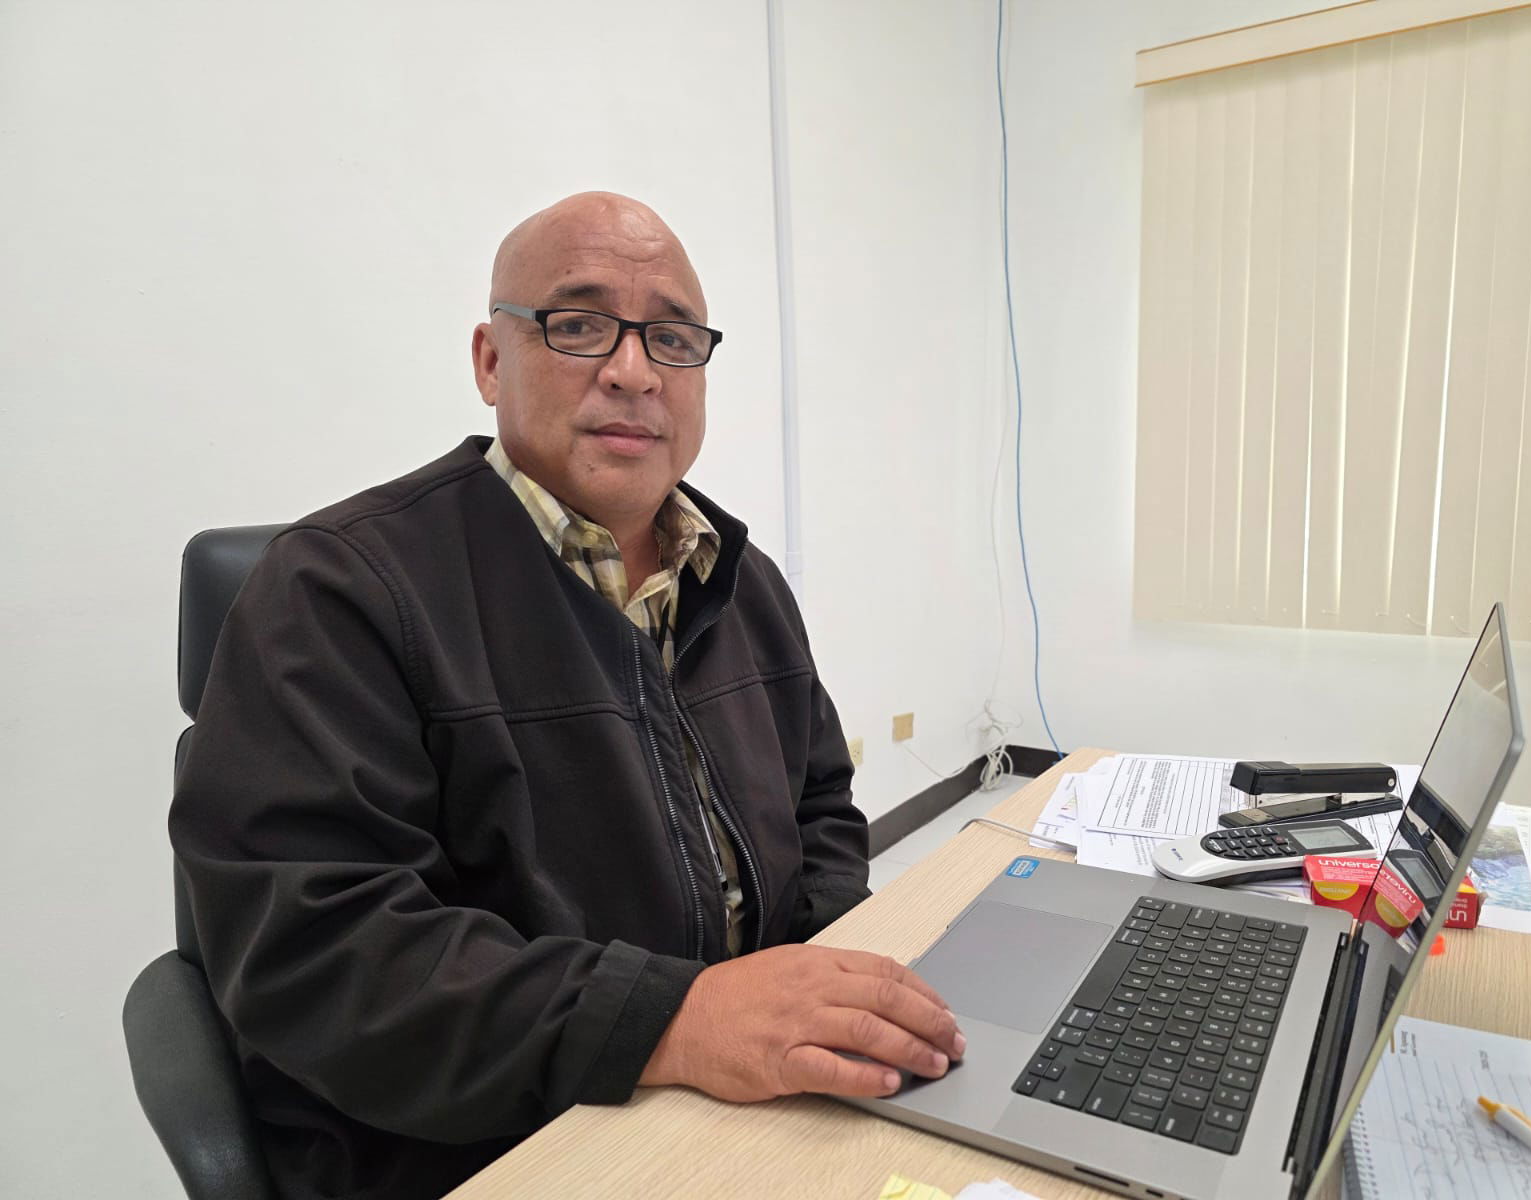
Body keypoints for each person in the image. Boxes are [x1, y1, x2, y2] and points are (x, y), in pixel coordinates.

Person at [170, 192, 964, 1200]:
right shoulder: (341, 589)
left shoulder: (741, 581)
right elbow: (326, 951)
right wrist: (676, 1020)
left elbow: (819, 810)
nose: (633, 371)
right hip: (484, 1146)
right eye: (580, 324)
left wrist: (833, 993)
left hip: (742, 1111)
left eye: (671, 337)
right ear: (491, 360)